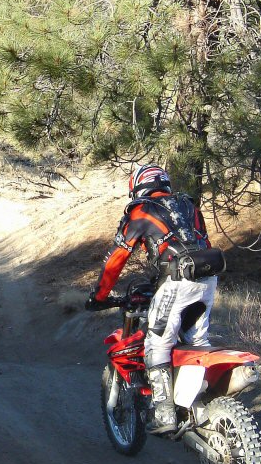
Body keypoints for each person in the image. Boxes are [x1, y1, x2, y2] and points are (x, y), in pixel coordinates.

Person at [85, 164, 221, 435]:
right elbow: (197, 243)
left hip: (176, 280)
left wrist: (99, 296)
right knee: (196, 342)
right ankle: (197, 405)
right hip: (207, 278)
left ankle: (164, 414)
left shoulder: (140, 211)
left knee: (157, 343)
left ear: (137, 186)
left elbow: (116, 260)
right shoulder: (188, 206)